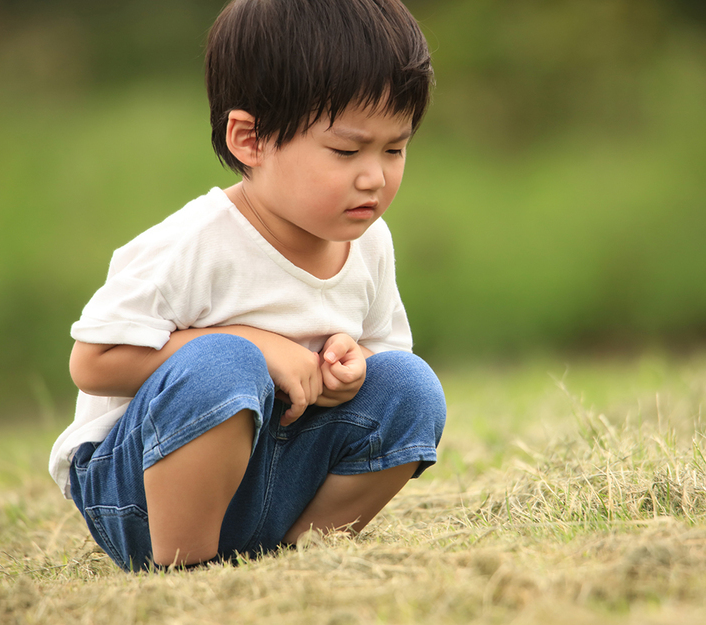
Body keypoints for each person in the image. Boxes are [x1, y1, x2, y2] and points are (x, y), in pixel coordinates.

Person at [47, 0, 446, 572]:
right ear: (250, 139)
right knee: (225, 363)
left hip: (276, 478)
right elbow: (93, 362)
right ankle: (185, 568)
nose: (374, 177)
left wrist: (348, 362)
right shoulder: (196, 243)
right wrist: (258, 346)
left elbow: (382, 353)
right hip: (143, 489)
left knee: (412, 386)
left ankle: (300, 555)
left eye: (395, 149)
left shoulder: (369, 243)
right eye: (346, 151)